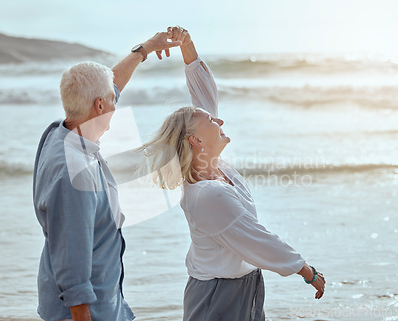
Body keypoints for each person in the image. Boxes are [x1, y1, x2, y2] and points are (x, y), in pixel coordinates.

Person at [139, 26, 326, 321]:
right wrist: (304, 269)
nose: (220, 119)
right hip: (217, 294)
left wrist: (187, 46)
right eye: (212, 120)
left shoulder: (216, 167)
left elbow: (204, 96)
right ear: (196, 141)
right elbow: (255, 239)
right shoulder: (208, 194)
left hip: (245, 284)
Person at [32, 31, 182, 321]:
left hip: (103, 302)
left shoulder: (58, 132)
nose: (117, 104)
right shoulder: (75, 177)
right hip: (88, 312)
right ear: (100, 106)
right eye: (113, 100)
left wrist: (145, 50)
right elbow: (73, 269)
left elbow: (108, 84)